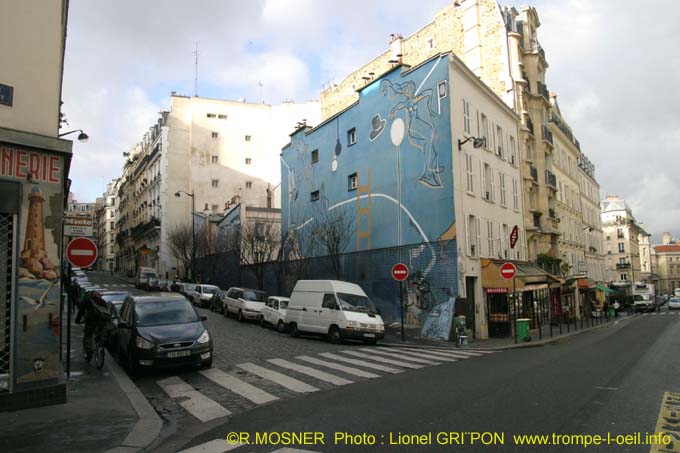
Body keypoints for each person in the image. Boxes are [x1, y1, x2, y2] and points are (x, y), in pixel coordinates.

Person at [75, 291, 108, 362]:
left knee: (88, 336)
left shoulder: (88, 301)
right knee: (99, 335)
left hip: (91, 322)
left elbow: (81, 311)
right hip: (102, 322)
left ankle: (89, 352)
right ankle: (100, 346)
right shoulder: (103, 301)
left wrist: (77, 320)